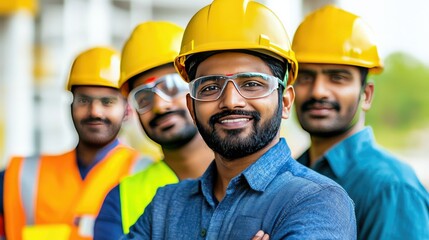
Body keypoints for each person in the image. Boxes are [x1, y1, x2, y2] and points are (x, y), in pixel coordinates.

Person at [123, 0, 357, 239]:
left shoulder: (317, 201)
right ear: (192, 108)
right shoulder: (166, 206)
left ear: (285, 102)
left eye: (252, 84)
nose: (231, 101)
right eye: (211, 87)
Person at [292, 5, 429, 240]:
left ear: (366, 95)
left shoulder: (391, 188)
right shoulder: (294, 172)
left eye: (337, 78)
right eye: (305, 77)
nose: (318, 91)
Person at [2, 46, 151, 240]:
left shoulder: (147, 173)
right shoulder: (22, 174)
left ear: (127, 110)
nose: (95, 111)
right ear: (71, 105)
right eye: (84, 100)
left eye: (107, 102)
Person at [93, 21, 214, 239]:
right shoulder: (121, 199)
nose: (160, 106)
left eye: (171, 87)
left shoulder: (253, 176)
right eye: (144, 97)